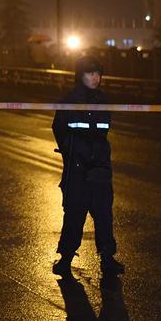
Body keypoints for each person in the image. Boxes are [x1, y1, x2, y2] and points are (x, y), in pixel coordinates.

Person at [52, 55, 124, 278]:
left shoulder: (104, 100)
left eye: (98, 74)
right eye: (90, 73)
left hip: (100, 168)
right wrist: (71, 151)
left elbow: (104, 130)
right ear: (80, 75)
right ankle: (65, 257)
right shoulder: (69, 100)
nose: (96, 78)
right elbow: (59, 128)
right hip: (77, 168)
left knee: (104, 214)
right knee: (74, 213)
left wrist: (98, 156)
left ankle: (107, 258)